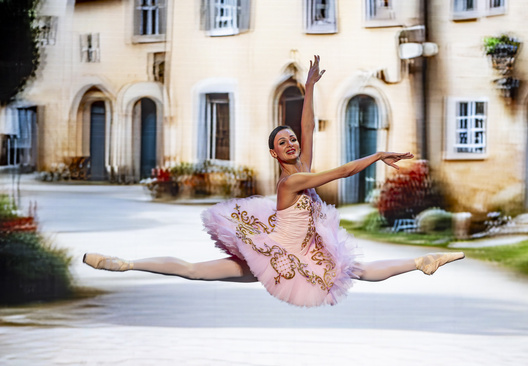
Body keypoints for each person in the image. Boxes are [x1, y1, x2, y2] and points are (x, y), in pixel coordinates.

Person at [83, 55, 464, 307]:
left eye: (291, 139)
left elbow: (309, 126)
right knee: (197, 270)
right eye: (283, 142)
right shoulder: (291, 184)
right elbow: (344, 172)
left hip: (296, 254)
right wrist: (379, 155)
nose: (292, 142)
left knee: (356, 270)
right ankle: (126, 264)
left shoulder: (303, 168)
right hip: (277, 255)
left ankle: (422, 261)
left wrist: (310, 88)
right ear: (274, 154)